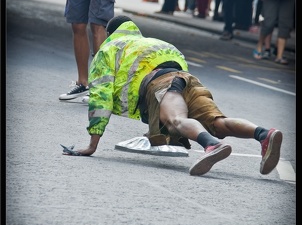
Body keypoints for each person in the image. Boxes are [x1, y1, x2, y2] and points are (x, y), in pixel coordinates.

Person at [62, 15, 283, 178]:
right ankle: (264, 134)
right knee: (218, 122)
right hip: (186, 79)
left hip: (161, 82)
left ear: (110, 34)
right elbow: (179, 78)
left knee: (176, 120)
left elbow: (100, 97)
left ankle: (211, 146)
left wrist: (93, 144)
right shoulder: (155, 43)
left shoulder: (109, 49)